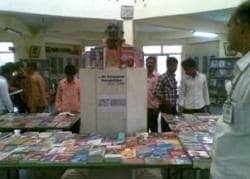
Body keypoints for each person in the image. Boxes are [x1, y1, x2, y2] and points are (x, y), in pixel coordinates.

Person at [210, 2, 250, 179]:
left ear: (243, 28)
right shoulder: (243, 68)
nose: (228, 31)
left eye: (230, 25)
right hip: (227, 170)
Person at [155, 57, 178, 132]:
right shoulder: (163, 77)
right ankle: (165, 141)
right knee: (165, 127)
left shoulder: (173, 77)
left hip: (173, 106)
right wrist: (165, 101)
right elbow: (156, 91)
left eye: (176, 66)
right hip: (165, 106)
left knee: (173, 126)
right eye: (173, 66)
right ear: (168, 65)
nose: (175, 68)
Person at [146, 56, 159, 132]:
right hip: (143, 108)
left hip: (153, 107)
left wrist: (157, 107)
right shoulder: (141, 74)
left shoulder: (158, 76)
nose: (149, 64)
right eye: (148, 62)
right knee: (144, 128)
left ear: (154, 64)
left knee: (154, 128)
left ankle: (155, 143)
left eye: (151, 62)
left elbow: (158, 93)